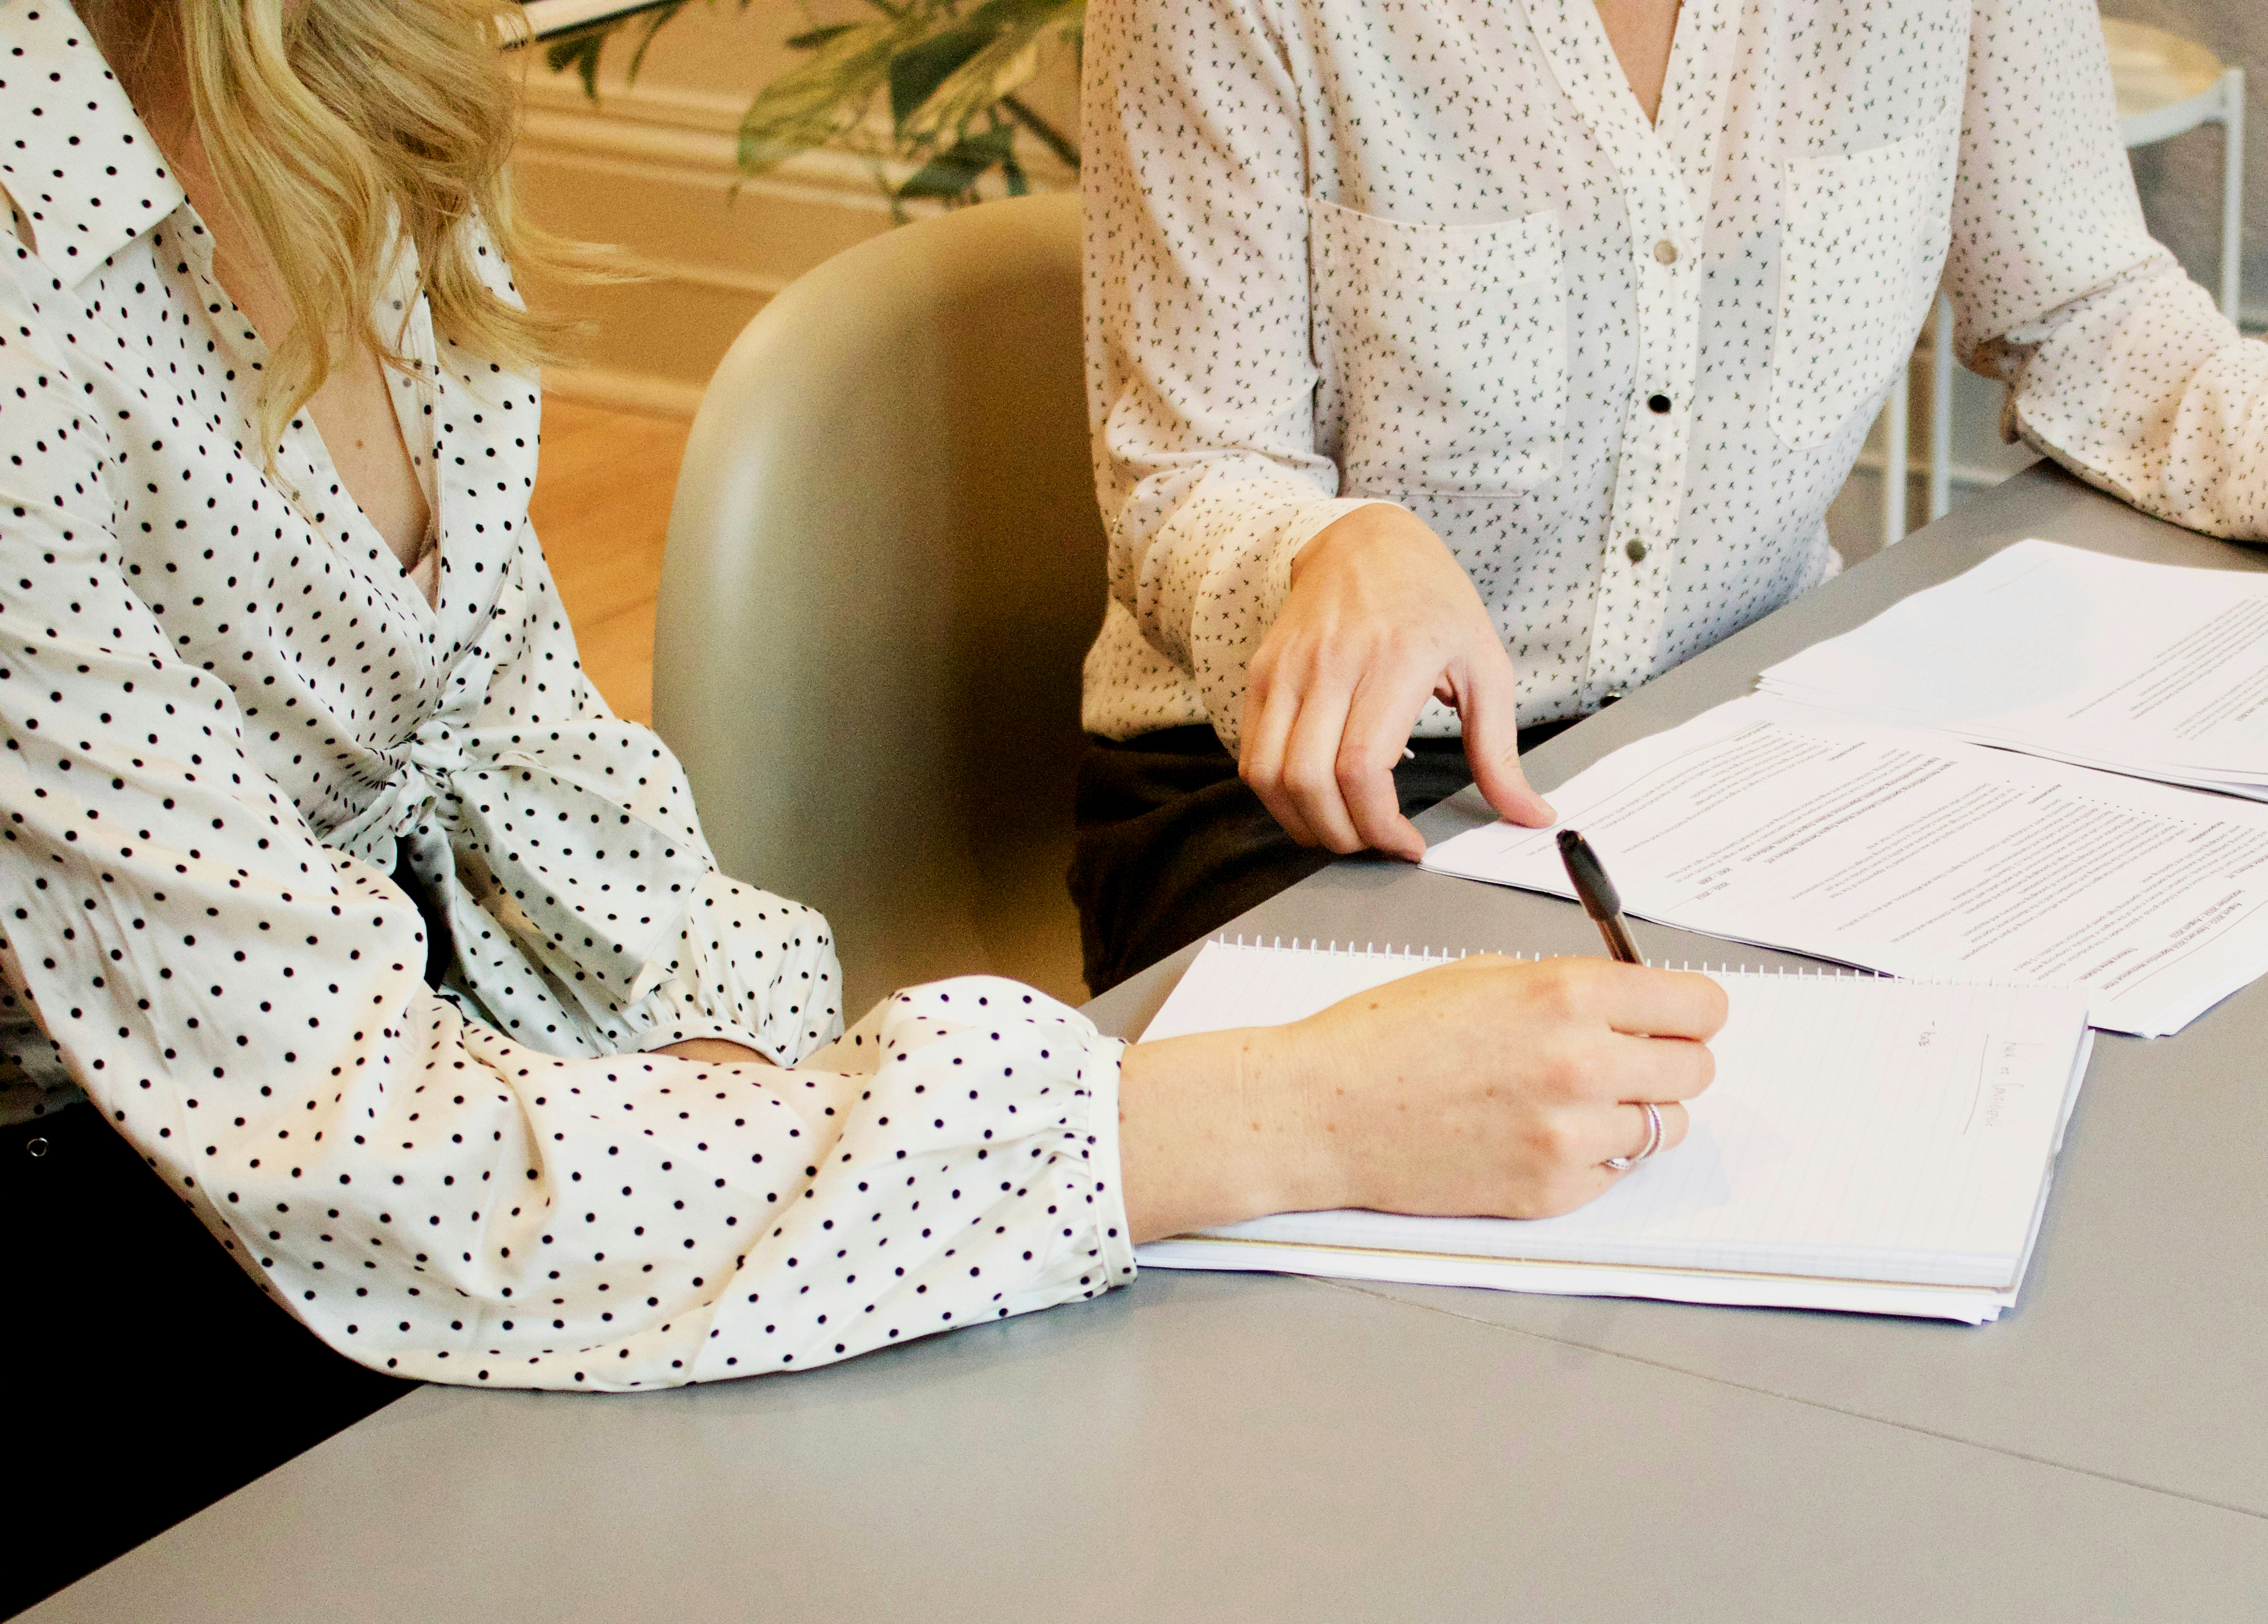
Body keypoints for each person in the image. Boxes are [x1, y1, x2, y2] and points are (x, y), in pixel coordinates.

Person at [0, 4, 1724, 1600]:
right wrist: (1290, 1118)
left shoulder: (358, 80)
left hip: (425, 1105)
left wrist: (738, 1070)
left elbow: (525, 752)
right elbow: (374, 1155)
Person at [1071, 0, 2268, 992]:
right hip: (1308, 801)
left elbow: (2073, 295)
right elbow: (1186, 472)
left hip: (1732, 751)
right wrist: (1330, 550)